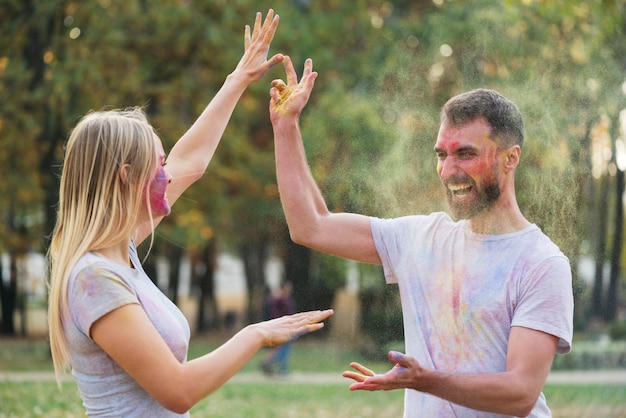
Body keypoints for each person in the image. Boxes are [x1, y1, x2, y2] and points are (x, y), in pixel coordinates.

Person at [46, 11, 333, 417]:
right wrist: (255, 334)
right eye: (158, 166)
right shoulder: (94, 277)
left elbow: (192, 161)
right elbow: (178, 391)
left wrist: (239, 79)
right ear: (127, 176)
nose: (168, 175)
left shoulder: (119, 252)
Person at [268, 56, 573, 417]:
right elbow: (311, 225)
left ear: (510, 159)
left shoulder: (541, 262)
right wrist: (286, 127)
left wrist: (424, 380)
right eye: (442, 154)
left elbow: (520, 393)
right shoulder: (420, 238)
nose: (448, 170)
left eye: (465, 154)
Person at [261, 281, 297, 375]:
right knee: (282, 349)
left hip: (284, 327)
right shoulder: (280, 300)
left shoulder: (278, 299)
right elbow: (277, 314)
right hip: (283, 327)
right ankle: (276, 366)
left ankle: (269, 363)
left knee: (279, 348)